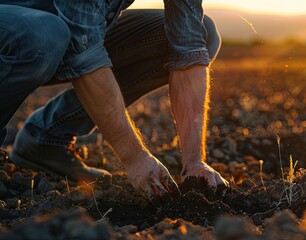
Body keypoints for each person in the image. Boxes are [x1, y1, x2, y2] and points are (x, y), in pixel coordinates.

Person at [0, 0, 229, 203]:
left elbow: (188, 49)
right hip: (17, 26)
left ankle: (46, 138)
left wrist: (194, 162)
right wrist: (135, 158)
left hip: (62, 31)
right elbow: (84, 54)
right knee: (45, 35)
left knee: (203, 32)